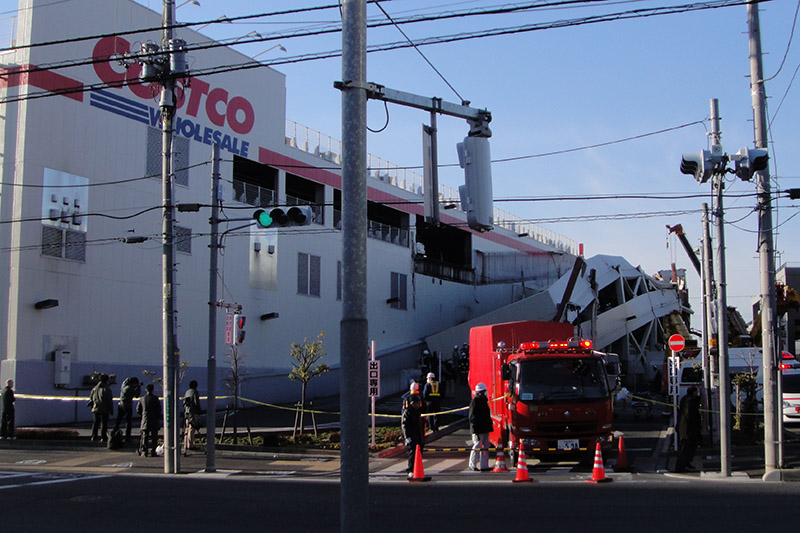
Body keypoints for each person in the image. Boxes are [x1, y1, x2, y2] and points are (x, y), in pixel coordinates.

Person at [674, 385, 702, 473]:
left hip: (684, 427)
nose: (697, 394)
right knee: (686, 448)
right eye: (696, 392)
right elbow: (690, 414)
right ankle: (680, 466)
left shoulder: (685, 399)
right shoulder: (690, 401)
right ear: (693, 392)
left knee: (690, 447)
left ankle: (686, 463)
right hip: (688, 428)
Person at [401, 382, 425, 475]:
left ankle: (416, 468)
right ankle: (410, 469)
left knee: (418, 452)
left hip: (418, 434)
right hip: (412, 435)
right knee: (412, 452)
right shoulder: (408, 412)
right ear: (412, 403)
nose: (418, 404)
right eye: (417, 403)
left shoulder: (417, 410)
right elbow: (404, 425)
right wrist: (407, 437)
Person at [469, 382, 492, 472]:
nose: (485, 393)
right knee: (477, 446)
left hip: (485, 428)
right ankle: (472, 464)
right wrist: (475, 430)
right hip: (478, 429)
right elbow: (472, 417)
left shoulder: (483, 400)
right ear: (479, 392)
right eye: (483, 391)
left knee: (485, 446)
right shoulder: (475, 401)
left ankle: (484, 465)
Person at [137, 383, 162, 457]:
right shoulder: (155, 398)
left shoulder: (142, 399)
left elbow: (138, 409)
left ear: (146, 390)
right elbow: (159, 409)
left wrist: (143, 415)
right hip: (154, 420)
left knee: (145, 436)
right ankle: (153, 451)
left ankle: (144, 451)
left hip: (145, 419)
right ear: (153, 390)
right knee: (154, 436)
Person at [114, 376, 141, 443]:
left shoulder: (124, 386)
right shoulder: (130, 388)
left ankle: (113, 433)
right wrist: (138, 387)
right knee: (128, 422)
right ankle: (127, 437)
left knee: (118, 421)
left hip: (120, 405)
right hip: (127, 406)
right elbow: (137, 395)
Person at [89, 374, 114, 442]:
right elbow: (109, 400)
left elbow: (91, 398)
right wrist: (111, 409)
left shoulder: (95, 388)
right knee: (104, 423)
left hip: (95, 407)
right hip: (104, 408)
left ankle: (94, 436)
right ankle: (103, 437)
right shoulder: (107, 389)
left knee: (95, 423)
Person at [182, 380, 202, 454]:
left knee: (187, 428)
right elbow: (196, 402)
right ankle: (190, 444)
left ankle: (185, 443)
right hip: (193, 413)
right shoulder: (195, 392)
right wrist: (199, 411)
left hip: (187, 412)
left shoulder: (187, 392)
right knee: (192, 428)